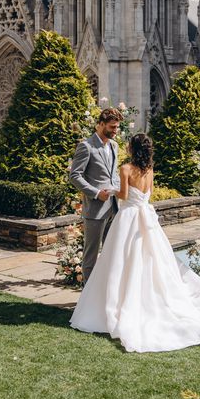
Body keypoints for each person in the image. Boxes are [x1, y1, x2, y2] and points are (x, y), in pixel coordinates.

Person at [70, 133, 200, 353]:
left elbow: (122, 195)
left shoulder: (125, 169)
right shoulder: (149, 170)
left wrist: (109, 191)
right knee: (150, 260)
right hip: (146, 218)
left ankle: (116, 303)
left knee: (120, 261)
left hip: (129, 218)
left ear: (132, 149)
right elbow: (145, 194)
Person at [69, 107, 122, 283]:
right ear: (100, 125)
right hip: (95, 209)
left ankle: (104, 294)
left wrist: (120, 191)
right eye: (112, 127)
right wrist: (96, 193)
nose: (115, 131)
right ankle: (87, 299)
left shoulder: (114, 146)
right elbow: (75, 176)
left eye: (117, 127)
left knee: (110, 254)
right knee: (90, 256)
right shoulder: (86, 146)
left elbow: (112, 175)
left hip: (114, 208)